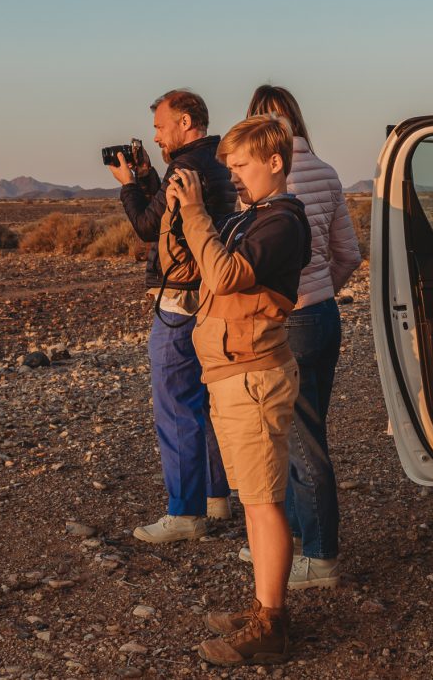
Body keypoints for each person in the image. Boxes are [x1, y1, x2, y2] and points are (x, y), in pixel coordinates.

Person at [161, 114, 311, 665]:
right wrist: (181, 215)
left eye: (242, 165)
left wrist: (199, 211)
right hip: (232, 373)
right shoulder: (252, 219)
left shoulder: (281, 224)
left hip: (253, 376)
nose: (235, 177)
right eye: (229, 168)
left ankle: (272, 625)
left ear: (275, 162)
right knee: (253, 499)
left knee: (264, 503)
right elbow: (198, 269)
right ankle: (264, 604)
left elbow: (224, 277)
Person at [236, 85, 362, 588]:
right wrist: (318, 292)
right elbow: (349, 253)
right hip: (324, 316)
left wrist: (293, 301)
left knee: (298, 443)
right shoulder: (328, 173)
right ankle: (282, 545)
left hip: (289, 323)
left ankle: (319, 555)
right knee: (306, 434)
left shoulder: (261, 183)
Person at [108, 89, 237, 543]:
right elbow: (169, 214)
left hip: (179, 301)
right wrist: (149, 178)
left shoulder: (185, 168)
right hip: (212, 296)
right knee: (208, 402)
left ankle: (185, 512)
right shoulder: (219, 161)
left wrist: (127, 183)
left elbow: (148, 226)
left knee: (177, 405)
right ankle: (217, 497)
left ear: (185, 123)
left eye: (161, 126)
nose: (156, 135)